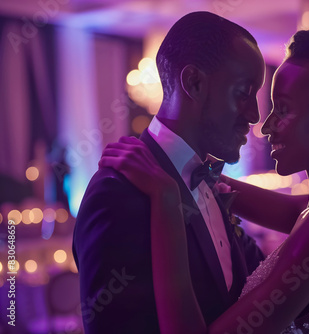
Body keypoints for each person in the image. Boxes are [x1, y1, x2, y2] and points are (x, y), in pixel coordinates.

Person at [100, 24, 309, 333]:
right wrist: (188, 167)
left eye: (283, 109)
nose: (265, 126)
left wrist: (167, 200)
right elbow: (251, 197)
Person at [72, 12, 266, 333]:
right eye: (244, 92)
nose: (255, 114)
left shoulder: (208, 180)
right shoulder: (116, 193)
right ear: (193, 83)